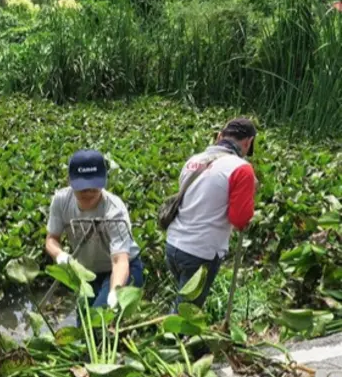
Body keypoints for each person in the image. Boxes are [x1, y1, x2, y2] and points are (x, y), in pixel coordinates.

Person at [165, 118, 257, 309]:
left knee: (183, 301)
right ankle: (169, 328)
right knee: (185, 313)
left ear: (220, 136)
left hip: (173, 244)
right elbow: (239, 219)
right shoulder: (241, 168)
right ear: (248, 142)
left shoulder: (194, 160)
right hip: (200, 252)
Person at [45, 149, 144, 310]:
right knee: (83, 319)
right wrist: (60, 255)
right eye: (82, 188)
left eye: (94, 187)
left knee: (101, 315)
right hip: (88, 272)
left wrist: (115, 292)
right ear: (69, 181)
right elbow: (51, 239)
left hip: (123, 268)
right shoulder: (61, 200)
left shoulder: (114, 209)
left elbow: (120, 260)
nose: (88, 193)